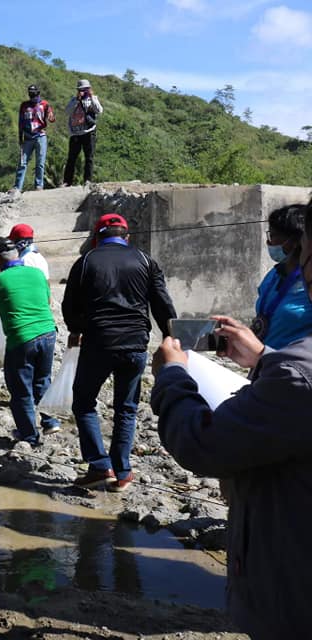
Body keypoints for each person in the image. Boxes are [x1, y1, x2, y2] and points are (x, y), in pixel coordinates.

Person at [150, 199, 312, 637]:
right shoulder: (276, 285)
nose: (273, 246)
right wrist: (262, 357)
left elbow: (201, 443)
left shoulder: (299, 376)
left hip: (293, 594)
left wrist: (172, 376)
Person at [61, 213, 176, 491]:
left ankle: (100, 466)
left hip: (98, 342)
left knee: (84, 402)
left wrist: (78, 328)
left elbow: (69, 307)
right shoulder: (146, 261)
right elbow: (162, 304)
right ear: (127, 237)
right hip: (136, 343)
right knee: (126, 408)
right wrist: (172, 337)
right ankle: (122, 472)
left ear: (98, 237)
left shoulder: (86, 261)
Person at [0, 237, 59, 446]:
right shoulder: (37, 273)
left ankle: (29, 435)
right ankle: (50, 421)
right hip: (48, 333)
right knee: (42, 380)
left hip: (22, 338)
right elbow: (47, 301)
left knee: (20, 390)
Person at [252, 204, 312, 349]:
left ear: (297, 240)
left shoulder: (308, 286)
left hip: (295, 367)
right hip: (264, 365)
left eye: (273, 236)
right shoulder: (274, 275)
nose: (269, 242)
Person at [12, 84, 55, 193]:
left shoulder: (44, 104)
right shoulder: (24, 105)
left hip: (40, 136)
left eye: (34, 94)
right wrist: (20, 137)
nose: (32, 96)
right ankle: (17, 187)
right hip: (27, 137)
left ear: (38, 93)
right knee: (22, 163)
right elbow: (20, 122)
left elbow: (51, 116)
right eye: (30, 94)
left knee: (40, 163)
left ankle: (38, 186)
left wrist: (50, 116)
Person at [62, 79, 103, 186]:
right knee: (71, 158)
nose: (83, 91)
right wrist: (76, 99)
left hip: (89, 132)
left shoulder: (93, 99)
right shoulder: (73, 100)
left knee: (89, 157)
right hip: (75, 133)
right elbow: (67, 112)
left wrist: (92, 97)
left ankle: (87, 180)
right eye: (81, 89)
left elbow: (99, 110)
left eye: (85, 89)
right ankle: (67, 182)